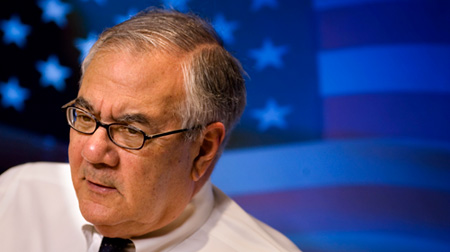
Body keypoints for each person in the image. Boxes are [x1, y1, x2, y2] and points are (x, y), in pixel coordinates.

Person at [0, 8, 301, 252]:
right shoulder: (16, 195)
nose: (93, 152)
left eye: (130, 130)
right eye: (85, 116)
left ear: (203, 149)